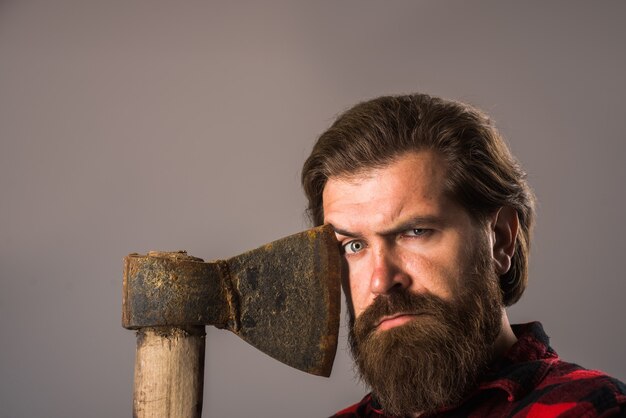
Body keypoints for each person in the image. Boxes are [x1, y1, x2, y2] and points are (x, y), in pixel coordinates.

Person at [301, 93, 626, 417]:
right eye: (354, 246)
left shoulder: (589, 409)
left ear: (499, 239)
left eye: (415, 232)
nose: (381, 281)